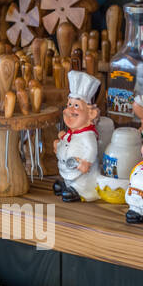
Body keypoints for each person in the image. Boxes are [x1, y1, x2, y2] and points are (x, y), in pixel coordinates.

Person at [54, 70, 102, 202]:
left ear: (90, 114)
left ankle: (79, 190)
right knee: (69, 177)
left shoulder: (88, 135)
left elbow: (92, 150)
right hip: (69, 170)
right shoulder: (71, 133)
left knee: (82, 180)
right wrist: (59, 145)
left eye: (76, 106)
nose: (70, 110)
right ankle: (67, 184)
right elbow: (67, 144)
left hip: (83, 174)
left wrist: (86, 162)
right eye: (69, 105)